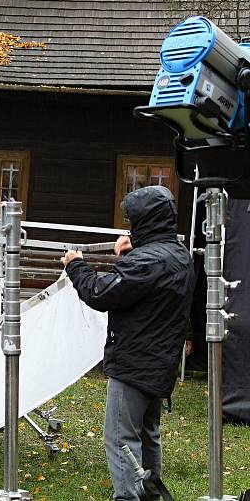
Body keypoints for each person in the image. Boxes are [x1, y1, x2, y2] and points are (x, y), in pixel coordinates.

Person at [60, 185, 195, 501]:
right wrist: (130, 255)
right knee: (148, 435)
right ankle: (150, 495)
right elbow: (145, 288)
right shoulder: (179, 255)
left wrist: (75, 265)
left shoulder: (146, 261)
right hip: (161, 362)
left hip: (135, 363)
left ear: (144, 221)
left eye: (133, 222)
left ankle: (130, 497)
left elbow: (98, 293)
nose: (130, 228)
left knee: (121, 438)